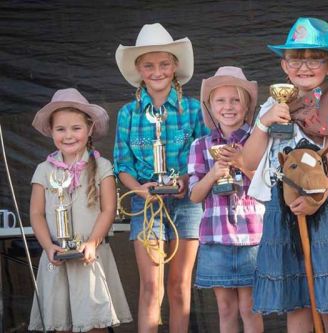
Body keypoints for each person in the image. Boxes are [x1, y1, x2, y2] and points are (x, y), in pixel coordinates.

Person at [243, 17, 328, 332]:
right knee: (297, 301)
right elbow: (249, 161)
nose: (304, 67)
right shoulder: (273, 102)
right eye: (296, 59)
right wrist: (264, 122)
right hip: (280, 208)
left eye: (315, 59)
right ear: (284, 64)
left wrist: (316, 199)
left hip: (323, 205)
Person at [113, 23, 208, 332]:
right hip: (146, 205)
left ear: (174, 66)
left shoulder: (193, 109)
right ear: (139, 70)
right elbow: (122, 166)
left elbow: (205, 155)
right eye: (149, 65)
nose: (157, 71)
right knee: (151, 286)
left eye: (164, 64)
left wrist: (184, 178)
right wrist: (140, 190)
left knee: (180, 284)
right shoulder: (129, 113)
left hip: (187, 203)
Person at [29, 88, 132, 332]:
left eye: (76, 128)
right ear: (51, 132)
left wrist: (92, 243)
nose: (68, 135)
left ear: (89, 129)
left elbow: (108, 209)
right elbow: (36, 213)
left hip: (91, 257)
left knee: (94, 324)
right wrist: (48, 246)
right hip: (57, 261)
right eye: (60, 129)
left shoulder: (103, 166)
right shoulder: (44, 170)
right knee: (60, 324)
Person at [187, 66, 264, 333]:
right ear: (210, 106)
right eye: (221, 100)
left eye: (236, 100)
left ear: (246, 106)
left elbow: (268, 187)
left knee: (250, 308)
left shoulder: (258, 140)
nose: (228, 106)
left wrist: (242, 164)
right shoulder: (200, 146)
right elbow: (195, 194)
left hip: (252, 237)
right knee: (226, 309)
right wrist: (213, 173)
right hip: (216, 238)